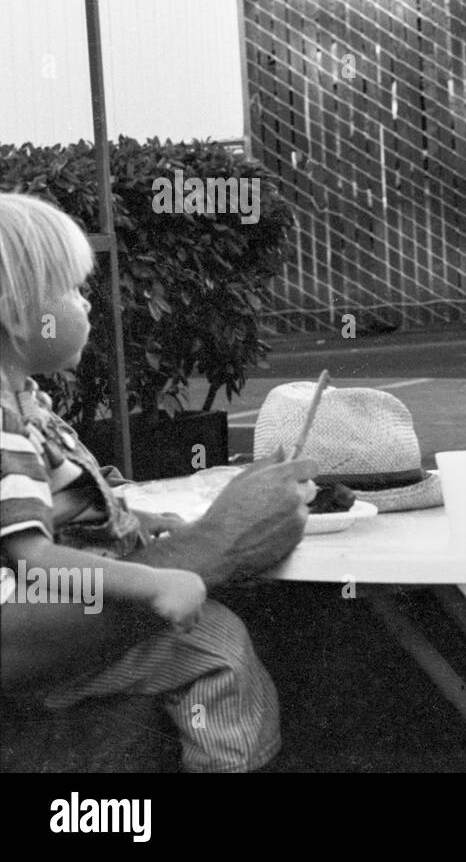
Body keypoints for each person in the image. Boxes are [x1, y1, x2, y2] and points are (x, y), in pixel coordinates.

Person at [0, 193, 309, 771]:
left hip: (73, 613)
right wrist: (156, 581)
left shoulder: (29, 408)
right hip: (52, 630)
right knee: (221, 648)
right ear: (18, 314)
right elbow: (30, 558)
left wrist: (143, 524)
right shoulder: (6, 428)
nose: (87, 305)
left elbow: (70, 510)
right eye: (70, 290)